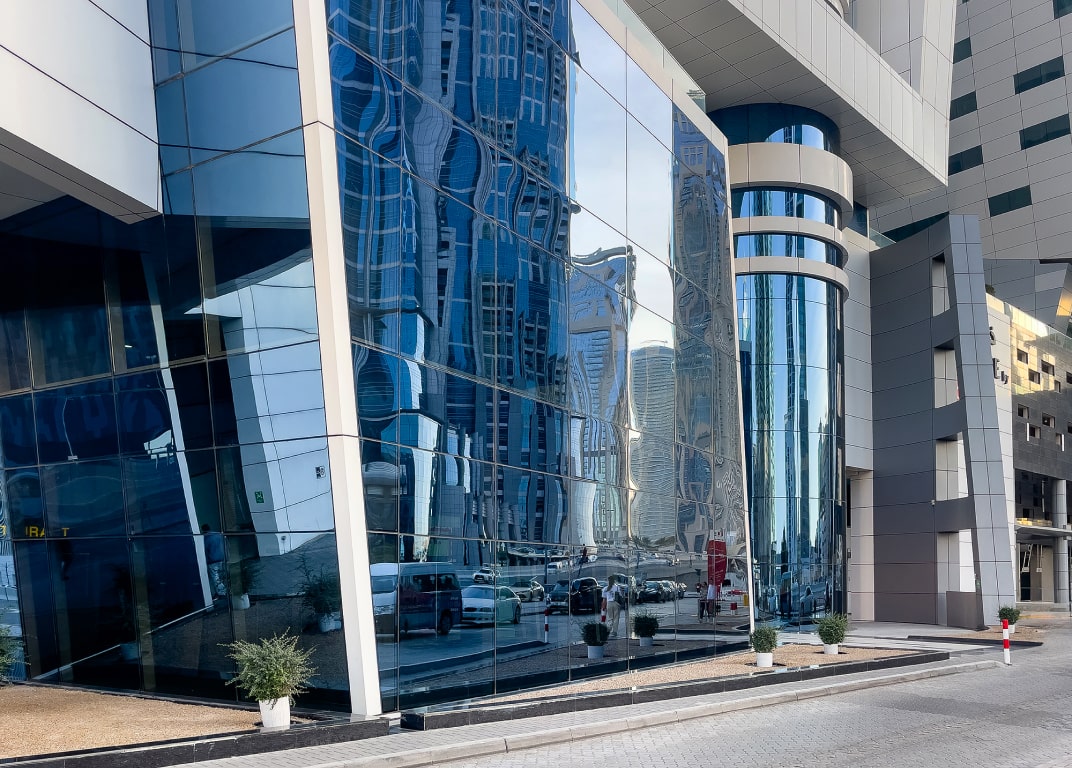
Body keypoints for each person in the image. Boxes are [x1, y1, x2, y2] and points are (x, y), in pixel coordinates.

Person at [202, 524, 226, 598]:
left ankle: (221, 593)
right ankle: (219, 592)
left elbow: (205, 549)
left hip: (212, 560)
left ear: (203, 530)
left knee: (216, 577)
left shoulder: (206, 538)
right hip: (221, 558)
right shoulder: (218, 535)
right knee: (220, 576)